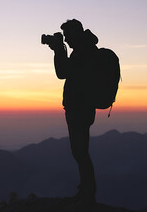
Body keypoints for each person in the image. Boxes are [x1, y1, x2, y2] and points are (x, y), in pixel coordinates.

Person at [47, 19, 98, 208]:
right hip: (81, 108)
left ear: (76, 34)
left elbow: (63, 73)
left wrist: (59, 51)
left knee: (81, 153)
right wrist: (60, 50)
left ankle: (88, 196)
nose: (66, 40)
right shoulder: (86, 50)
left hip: (79, 109)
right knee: (80, 152)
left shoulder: (84, 52)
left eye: (67, 36)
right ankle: (85, 191)